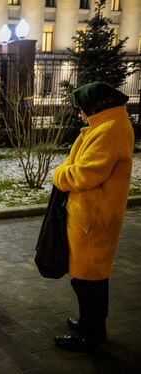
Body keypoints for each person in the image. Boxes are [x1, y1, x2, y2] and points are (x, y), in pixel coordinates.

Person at [52, 81, 134, 352]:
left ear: (96, 106)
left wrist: (59, 175)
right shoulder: (105, 127)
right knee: (90, 277)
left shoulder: (110, 131)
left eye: (81, 109)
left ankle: (91, 333)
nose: (79, 114)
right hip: (91, 214)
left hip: (94, 219)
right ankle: (92, 324)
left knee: (88, 279)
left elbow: (85, 173)